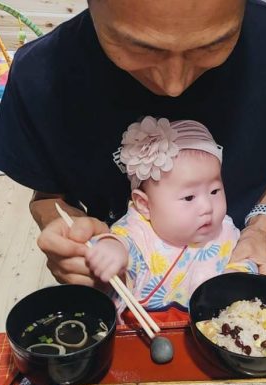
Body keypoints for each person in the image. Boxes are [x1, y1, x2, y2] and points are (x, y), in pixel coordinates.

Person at [0, 0, 266, 307]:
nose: (173, 85)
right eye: (139, 48)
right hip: (123, 275)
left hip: (258, 256)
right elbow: (48, 195)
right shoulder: (42, 74)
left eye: (212, 45)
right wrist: (71, 237)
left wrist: (261, 226)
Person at [86, 116, 254, 313]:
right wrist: (112, 249)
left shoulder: (223, 230)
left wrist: (235, 276)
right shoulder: (139, 231)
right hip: (144, 328)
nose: (207, 207)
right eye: (189, 197)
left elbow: (245, 260)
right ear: (145, 205)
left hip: (208, 327)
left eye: (215, 191)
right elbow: (123, 243)